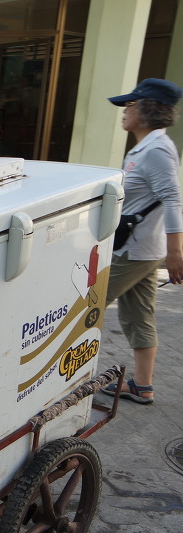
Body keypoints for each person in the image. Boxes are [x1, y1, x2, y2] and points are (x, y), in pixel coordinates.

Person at [101, 78, 183, 406]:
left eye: (130, 104)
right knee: (139, 315)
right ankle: (142, 385)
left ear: (147, 110)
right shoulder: (147, 147)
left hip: (135, 251)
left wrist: (176, 253)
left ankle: (58, 376)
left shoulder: (157, 150)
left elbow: (172, 200)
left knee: (86, 305)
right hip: (142, 249)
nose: (124, 110)